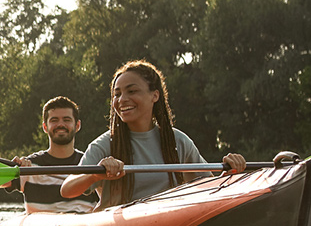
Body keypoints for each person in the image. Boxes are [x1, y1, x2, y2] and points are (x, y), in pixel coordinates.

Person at [60, 60, 245, 209]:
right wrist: (96, 175)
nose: (122, 99)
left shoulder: (177, 141)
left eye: (132, 91)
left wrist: (229, 173)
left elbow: (209, 188)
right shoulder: (104, 144)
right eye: (117, 94)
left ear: (154, 96)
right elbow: (67, 189)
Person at [2, 96, 99, 213]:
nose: (60, 124)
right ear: (45, 127)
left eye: (67, 120)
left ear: (77, 125)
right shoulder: (30, 166)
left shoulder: (91, 165)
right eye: (54, 120)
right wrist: (12, 170)